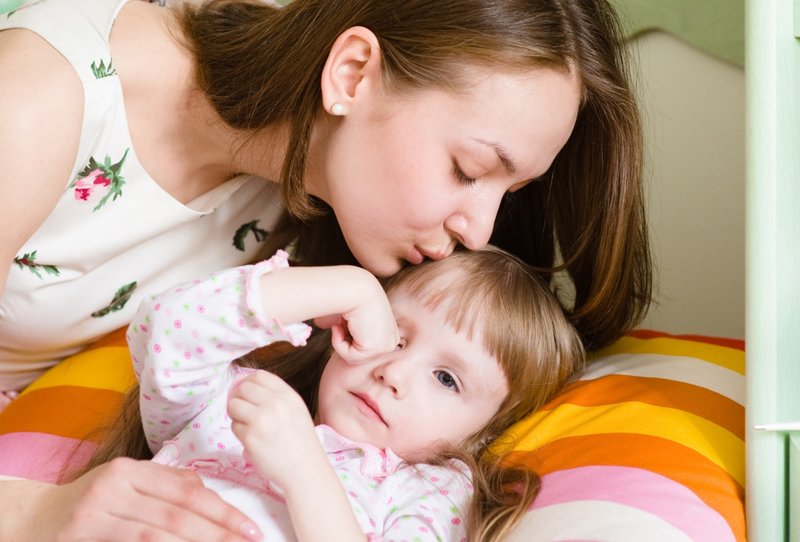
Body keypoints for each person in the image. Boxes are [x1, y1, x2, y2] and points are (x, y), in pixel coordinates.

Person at [0, 0, 648, 538]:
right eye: (468, 171)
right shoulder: (37, 98)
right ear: (352, 73)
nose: (477, 231)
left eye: (506, 193)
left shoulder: (323, 201)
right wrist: (35, 512)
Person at [74, 247, 585, 541]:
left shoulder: (428, 491)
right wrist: (350, 288)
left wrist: (304, 472)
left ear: (481, 436)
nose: (395, 371)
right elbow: (165, 328)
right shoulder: (238, 403)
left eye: (446, 378)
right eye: (396, 334)